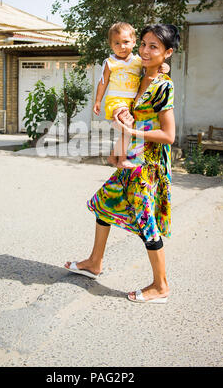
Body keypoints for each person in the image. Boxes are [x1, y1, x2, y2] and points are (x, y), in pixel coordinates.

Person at [65, 23, 180, 304]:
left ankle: (161, 286)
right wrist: (120, 146)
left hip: (149, 167)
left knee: (146, 223)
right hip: (132, 158)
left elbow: (168, 135)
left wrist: (132, 134)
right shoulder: (139, 75)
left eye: (154, 46)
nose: (144, 50)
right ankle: (94, 262)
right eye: (143, 44)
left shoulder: (164, 86)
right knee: (104, 202)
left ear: (168, 53)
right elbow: (128, 115)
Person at [93, 22, 170, 168]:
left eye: (126, 42)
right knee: (127, 125)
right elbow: (103, 82)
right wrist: (98, 101)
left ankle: (112, 156)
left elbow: (153, 66)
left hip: (131, 102)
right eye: (117, 43)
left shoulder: (139, 61)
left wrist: (164, 66)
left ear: (134, 42)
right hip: (116, 100)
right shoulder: (110, 63)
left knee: (126, 130)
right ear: (111, 45)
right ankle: (121, 160)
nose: (122, 47)